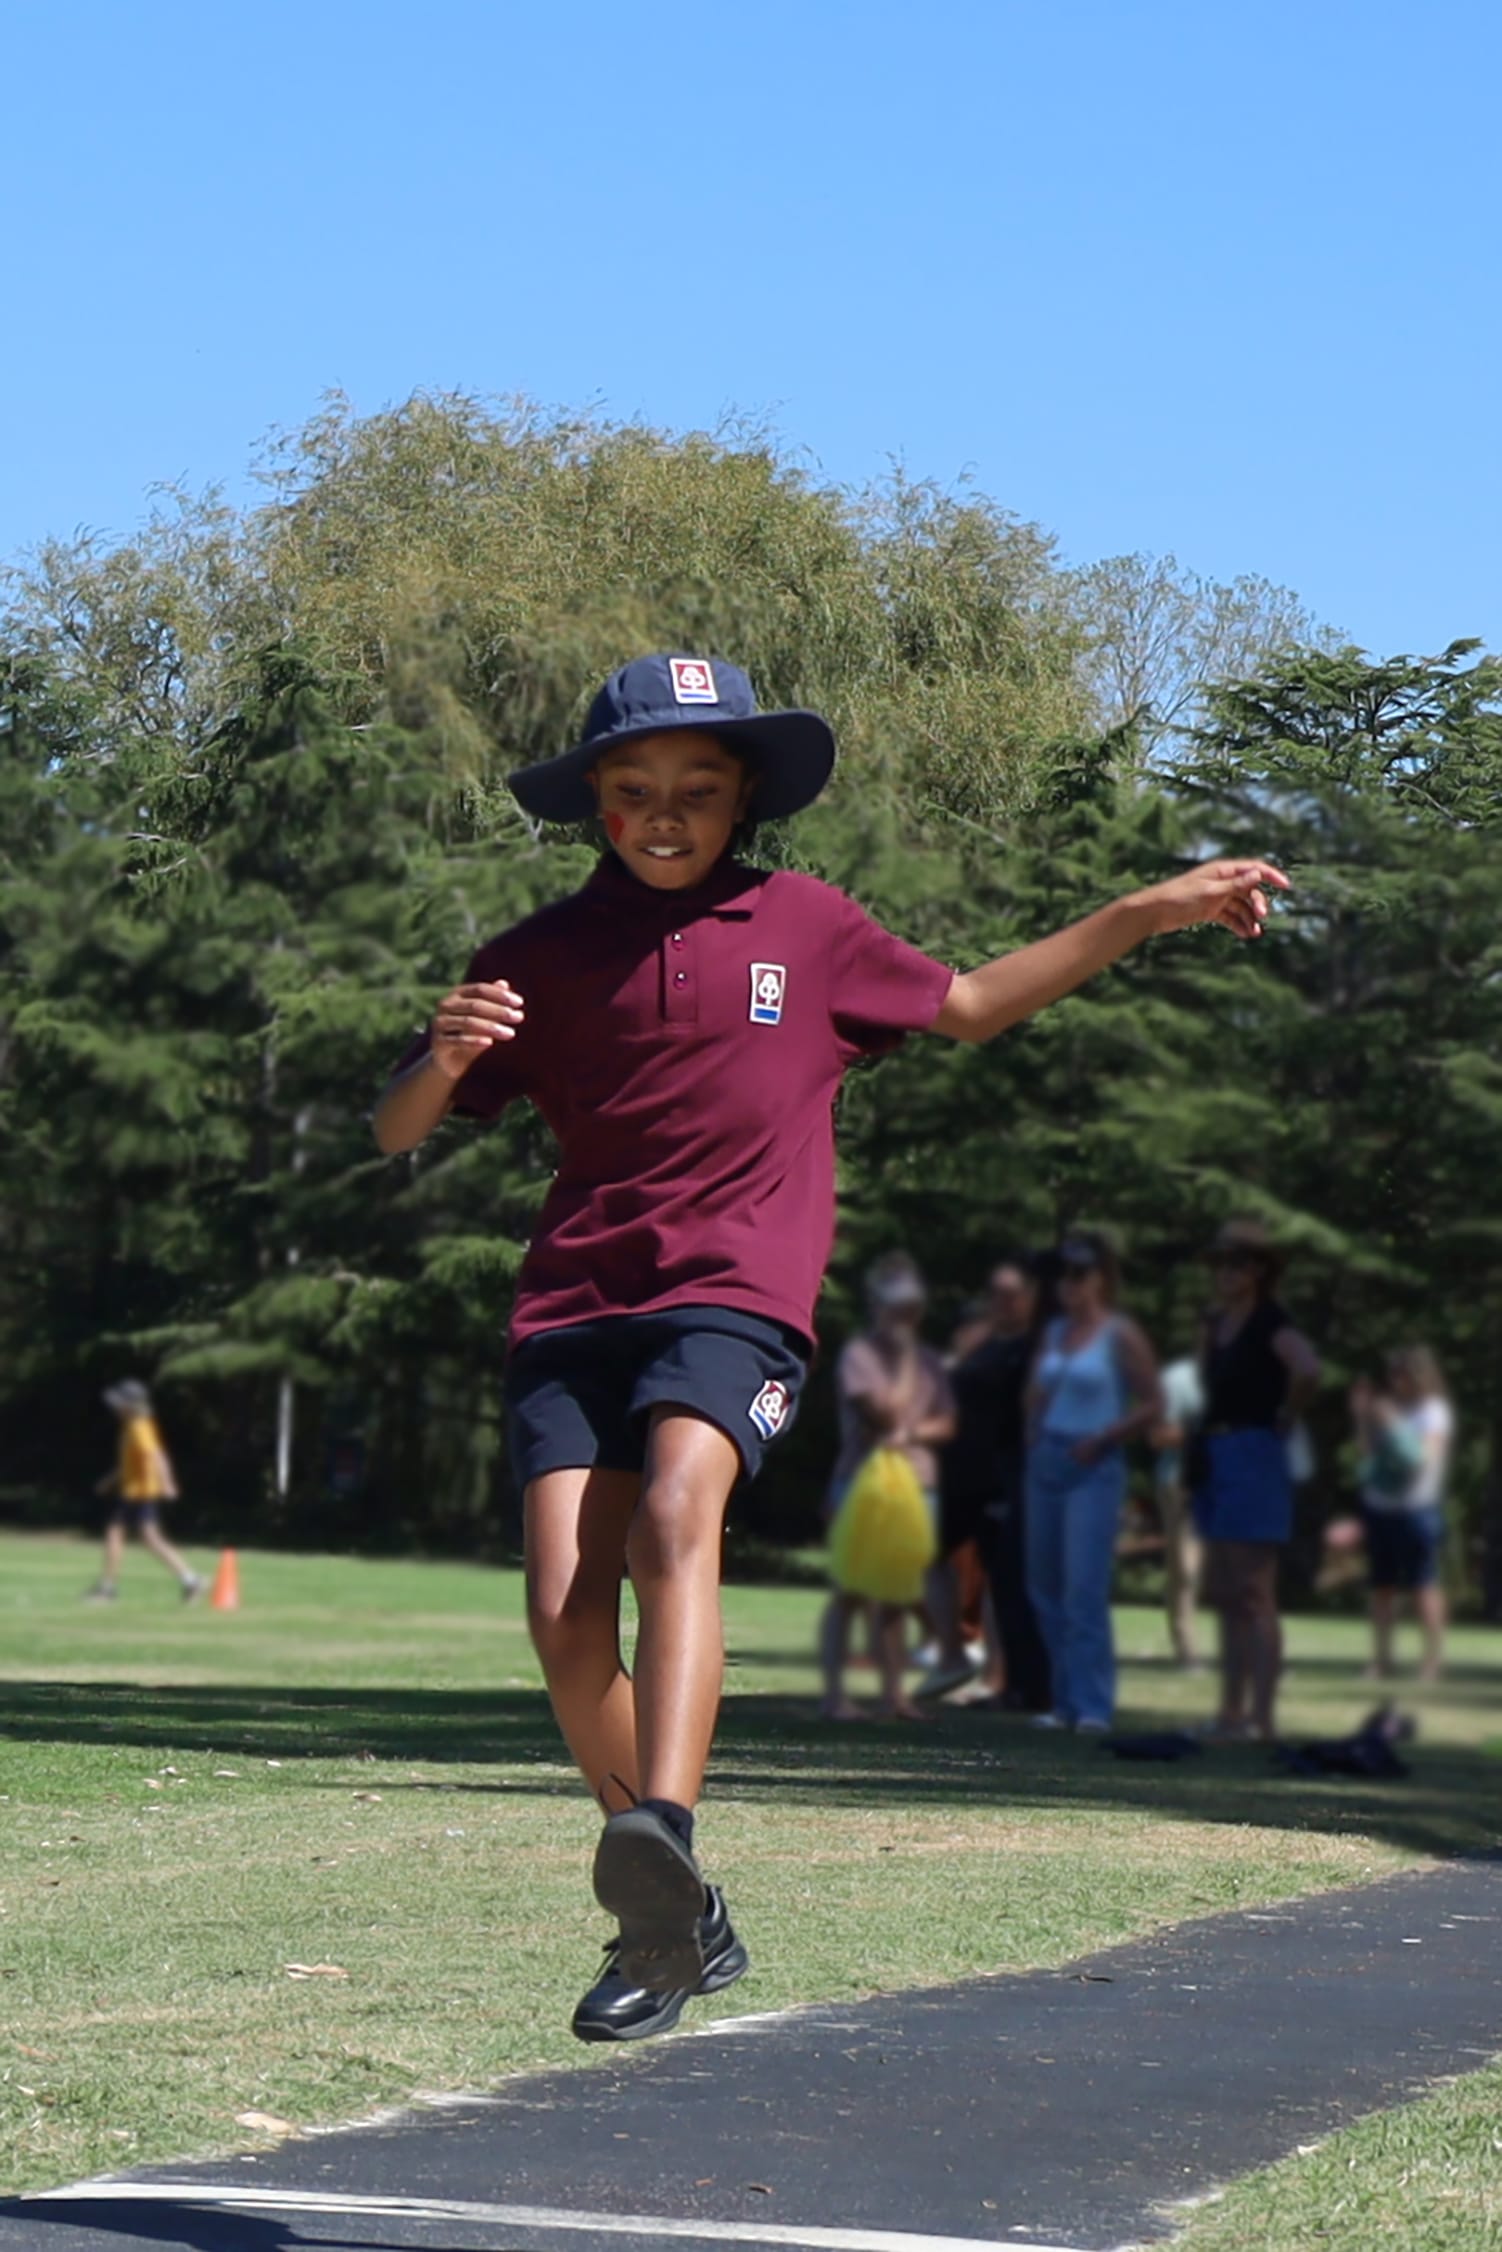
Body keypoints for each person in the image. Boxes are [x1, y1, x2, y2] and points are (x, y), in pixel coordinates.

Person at [372, 648, 1287, 2045]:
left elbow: (975, 1005)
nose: (664, 813)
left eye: (696, 787)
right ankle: (673, 1917)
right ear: (595, 804)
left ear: (743, 796)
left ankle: (663, 1821)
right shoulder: (535, 957)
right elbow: (396, 1130)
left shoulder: (806, 928)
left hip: (735, 1295)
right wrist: (439, 1056)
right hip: (573, 1310)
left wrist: (1148, 909)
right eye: (633, 790)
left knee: (679, 1516)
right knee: (563, 1616)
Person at [1024, 1233, 1161, 1732]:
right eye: (1064, 1276)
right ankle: (1062, 1702)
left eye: (1080, 1275)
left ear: (1103, 1278)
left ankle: (1093, 1705)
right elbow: (1036, 1395)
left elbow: (1153, 1403)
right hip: (1047, 1457)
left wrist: (1105, 1436)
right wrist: (1032, 1434)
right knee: (1045, 1586)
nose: (1070, 1286)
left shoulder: (1119, 1333)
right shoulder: (1055, 1331)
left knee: (1083, 1588)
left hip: (1094, 1462)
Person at [1193, 1219, 1320, 1741]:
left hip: (1255, 1451)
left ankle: (1261, 1719)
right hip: (1215, 1452)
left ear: (1261, 1270)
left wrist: (1288, 1414)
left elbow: (1307, 1369)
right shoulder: (1217, 1323)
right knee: (1223, 1590)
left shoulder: (1272, 1321)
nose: (1226, 1272)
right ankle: (1229, 1712)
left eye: (1238, 1262)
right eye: (1221, 1262)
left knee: (1254, 1590)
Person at [821, 1252, 957, 1720]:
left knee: (900, 1593)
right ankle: (836, 1695)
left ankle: (894, 1694)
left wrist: (917, 1434)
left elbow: (946, 1423)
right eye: (896, 1309)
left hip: (917, 1486)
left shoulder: (930, 1361)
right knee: (850, 1591)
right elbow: (885, 1413)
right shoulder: (861, 1357)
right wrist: (900, 1364)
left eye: (910, 1309)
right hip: (861, 1484)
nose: (905, 1319)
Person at [942, 1260, 1052, 1712]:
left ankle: (1025, 1684)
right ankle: (990, 1673)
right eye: (996, 1294)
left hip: (1008, 1474)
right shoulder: (985, 1345)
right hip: (967, 1474)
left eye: (1013, 1294)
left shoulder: (1035, 1350)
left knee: (1012, 1582)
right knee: (984, 1580)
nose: (1003, 1303)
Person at [1351, 1345, 1454, 1681]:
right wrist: (1362, 1418)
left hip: (1417, 1509)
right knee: (1381, 1587)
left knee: (1423, 1585)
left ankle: (1431, 1662)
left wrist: (1391, 1421)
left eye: (1401, 1373)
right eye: (1392, 1374)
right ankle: (1381, 1659)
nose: (1395, 1380)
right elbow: (1367, 1454)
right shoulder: (1391, 1409)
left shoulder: (1434, 1411)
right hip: (1381, 1507)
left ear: (1419, 1374)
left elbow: (1421, 1457)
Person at [87, 1381, 204, 1603]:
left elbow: (156, 1455)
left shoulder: (139, 1427)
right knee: (151, 1539)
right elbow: (128, 1465)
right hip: (134, 1491)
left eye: (119, 1404)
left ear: (130, 1405)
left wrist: (167, 1483)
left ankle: (107, 1589)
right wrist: (109, 1481)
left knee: (116, 1534)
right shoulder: (131, 1426)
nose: (115, 1408)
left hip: (140, 1493)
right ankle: (191, 1581)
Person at [1152, 1352, 1206, 1668]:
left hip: (1233, 1484)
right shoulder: (1178, 1379)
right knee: (1186, 1569)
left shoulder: (1245, 1372)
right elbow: (1158, 1435)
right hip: (1180, 1481)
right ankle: (1188, 1648)